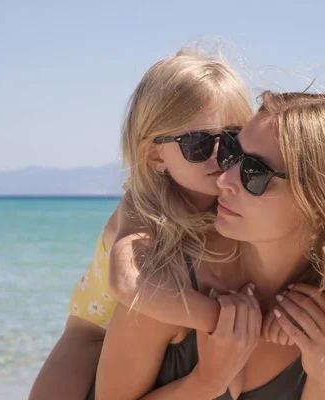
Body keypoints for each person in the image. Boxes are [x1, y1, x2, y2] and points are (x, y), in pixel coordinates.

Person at [95, 91, 325, 399]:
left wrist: (323, 372)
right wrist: (207, 382)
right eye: (233, 154)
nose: (224, 179)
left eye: (252, 173)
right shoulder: (169, 282)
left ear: (320, 203)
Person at [28, 48, 258, 400]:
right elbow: (126, 283)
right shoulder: (141, 205)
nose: (217, 154)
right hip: (92, 330)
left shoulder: (229, 204)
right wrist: (223, 320)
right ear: (154, 155)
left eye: (231, 140)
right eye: (197, 144)